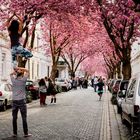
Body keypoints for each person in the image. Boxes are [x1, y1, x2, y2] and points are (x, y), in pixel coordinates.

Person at [10, 67, 32, 137]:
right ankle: (26, 133)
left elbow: (11, 74)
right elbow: (27, 70)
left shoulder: (13, 80)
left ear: (16, 75)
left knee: (14, 118)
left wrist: (15, 71)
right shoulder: (23, 80)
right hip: (22, 101)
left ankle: (14, 133)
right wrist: (19, 68)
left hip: (14, 101)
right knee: (24, 118)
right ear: (22, 75)